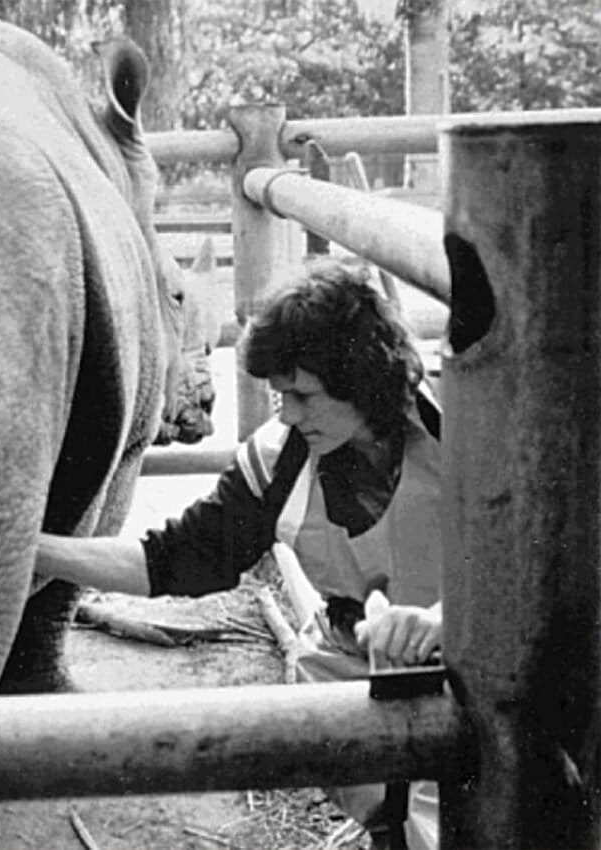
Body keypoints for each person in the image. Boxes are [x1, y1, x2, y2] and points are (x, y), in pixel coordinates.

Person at [36, 256, 441, 850]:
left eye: (303, 394)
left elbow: (551, 573)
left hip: (475, 656)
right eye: (279, 395)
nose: (288, 414)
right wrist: (37, 550)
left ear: (362, 378)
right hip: (357, 665)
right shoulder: (280, 462)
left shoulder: (464, 435)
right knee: (398, 818)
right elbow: (170, 559)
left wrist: (445, 623)